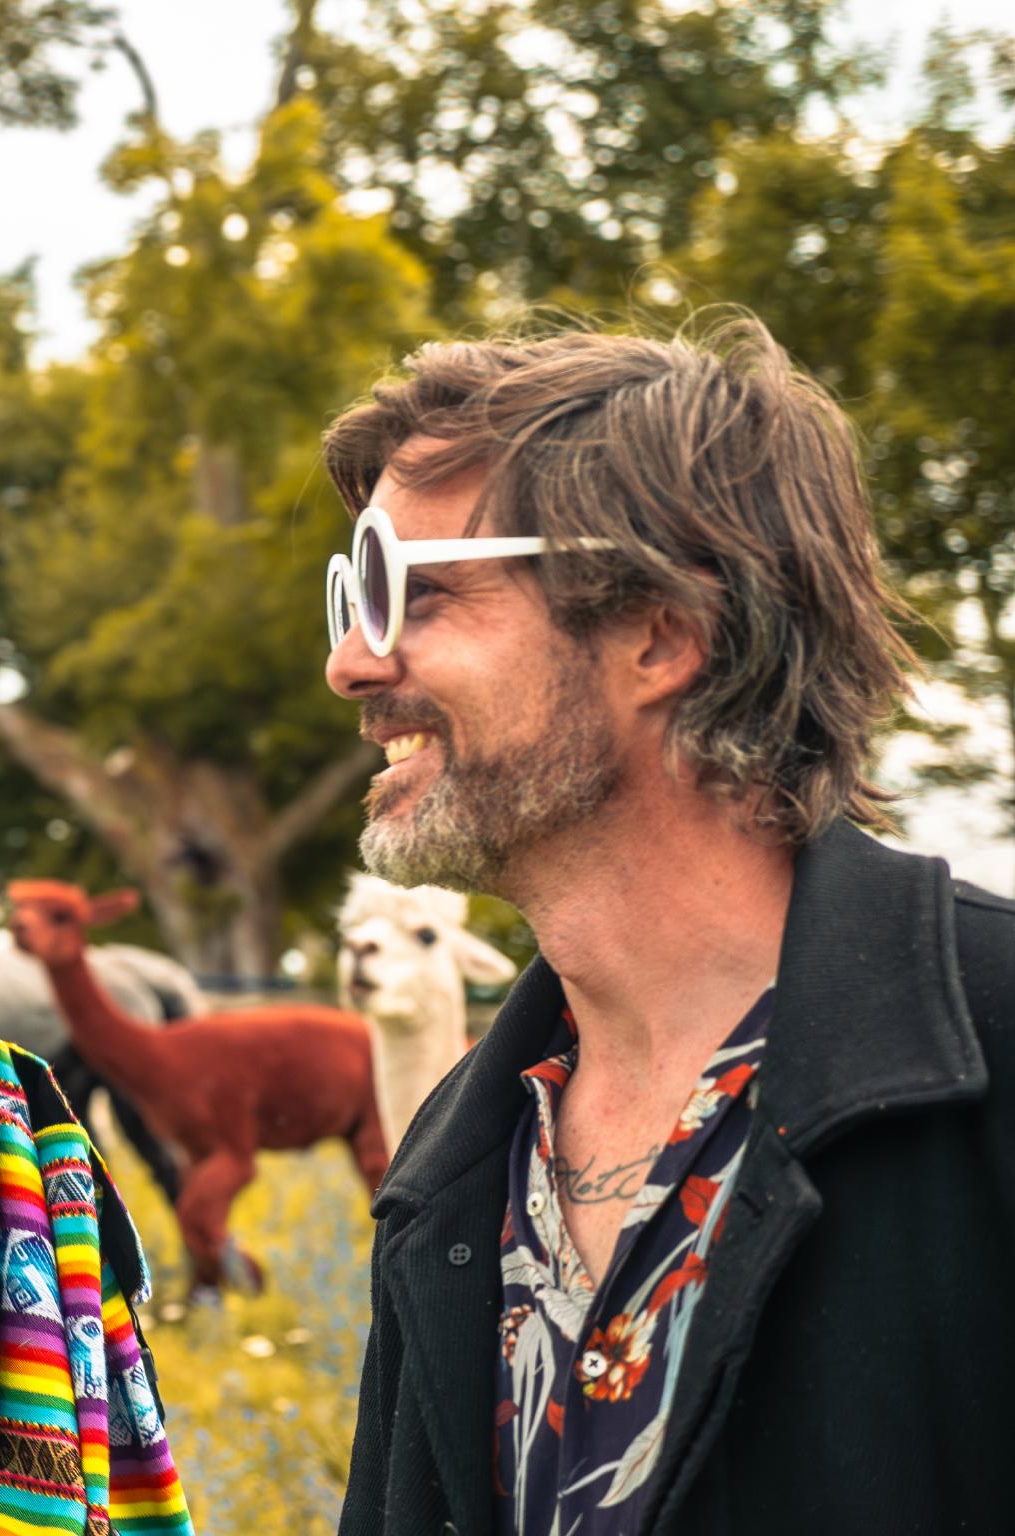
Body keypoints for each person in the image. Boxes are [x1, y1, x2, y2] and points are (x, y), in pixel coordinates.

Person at [321, 317, 1015, 1534]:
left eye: (408, 592)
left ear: (657, 631)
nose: (347, 659)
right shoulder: (458, 1153)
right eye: (347, 592)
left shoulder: (991, 1043)